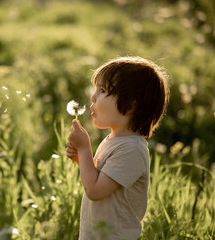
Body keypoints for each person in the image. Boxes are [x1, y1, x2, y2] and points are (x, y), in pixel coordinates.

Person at [66, 56, 170, 240]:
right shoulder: (114, 141)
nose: (93, 96)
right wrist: (81, 158)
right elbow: (100, 179)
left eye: (103, 90)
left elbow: (95, 191)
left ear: (130, 106)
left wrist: (84, 149)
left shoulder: (131, 149)